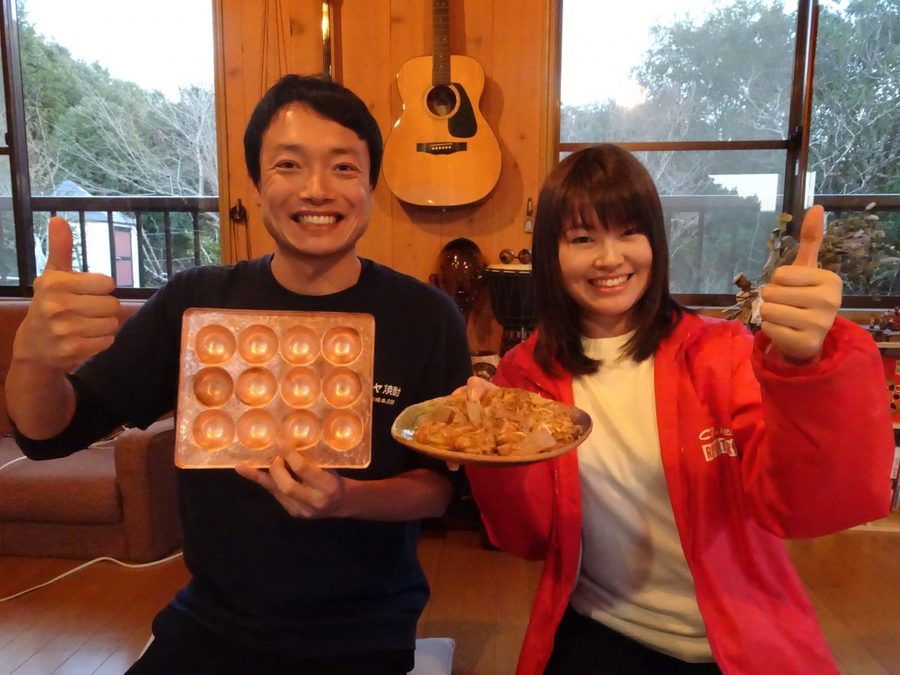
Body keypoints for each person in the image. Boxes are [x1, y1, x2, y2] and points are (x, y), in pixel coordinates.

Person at [7, 74, 472, 674]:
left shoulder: (425, 316)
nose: (316, 189)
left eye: (343, 167)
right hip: (212, 622)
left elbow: (438, 488)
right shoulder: (197, 304)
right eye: (288, 165)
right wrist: (33, 359)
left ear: (370, 186)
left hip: (362, 631)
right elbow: (51, 434)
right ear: (256, 183)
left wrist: (346, 499)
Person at [463, 144, 894, 675]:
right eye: (582, 238)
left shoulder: (721, 353)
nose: (609, 258)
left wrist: (808, 364)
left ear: (656, 242)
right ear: (550, 255)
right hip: (600, 627)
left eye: (629, 232)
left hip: (734, 636)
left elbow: (805, 505)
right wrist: (491, 446)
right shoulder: (525, 376)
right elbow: (526, 539)